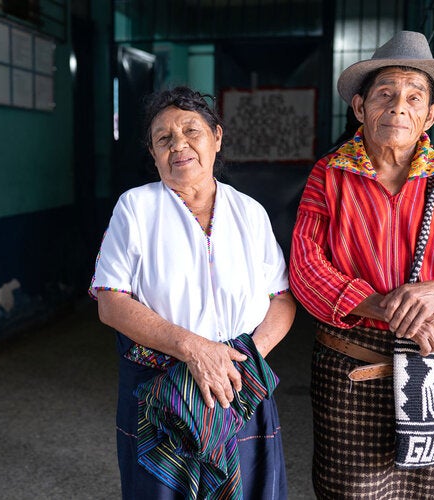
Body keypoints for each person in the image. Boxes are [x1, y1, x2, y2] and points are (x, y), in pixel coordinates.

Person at [289, 31, 434, 498]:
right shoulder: (329, 176)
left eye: (413, 97)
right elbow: (306, 271)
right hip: (352, 374)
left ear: (430, 114)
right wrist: (392, 310)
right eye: (385, 94)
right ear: (360, 108)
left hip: (433, 371)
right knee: (353, 491)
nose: (398, 106)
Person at [90, 86, 296, 499]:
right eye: (164, 138)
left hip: (240, 382)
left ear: (216, 138)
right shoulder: (136, 208)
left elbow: (282, 298)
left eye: (191, 131)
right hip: (162, 390)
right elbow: (111, 301)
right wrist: (196, 350)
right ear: (152, 153)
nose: (178, 145)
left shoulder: (249, 212)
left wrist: (241, 361)